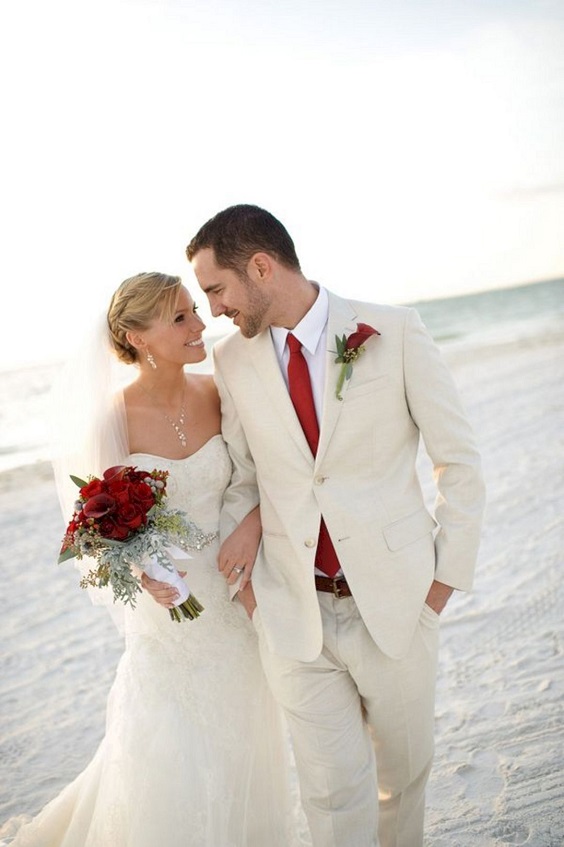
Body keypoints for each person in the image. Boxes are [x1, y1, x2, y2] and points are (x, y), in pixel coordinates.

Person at [177, 205, 486, 847]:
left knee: (402, 785)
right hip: (294, 618)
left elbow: (458, 461)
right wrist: (257, 597)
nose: (212, 311)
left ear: (261, 267)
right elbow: (243, 477)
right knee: (330, 797)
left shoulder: (392, 332)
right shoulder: (231, 362)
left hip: (398, 605)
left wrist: (443, 581)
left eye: (216, 290)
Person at [1, 272, 303, 847]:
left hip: (236, 593)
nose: (201, 324)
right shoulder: (111, 420)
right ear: (137, 337)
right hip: (169, 614)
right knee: (172, 751)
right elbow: (102, 527)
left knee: (243, 737)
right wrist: (144, 573)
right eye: (181, 317)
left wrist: (252, 526)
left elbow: (271, 475)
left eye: (196, 310)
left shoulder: (220, 390)